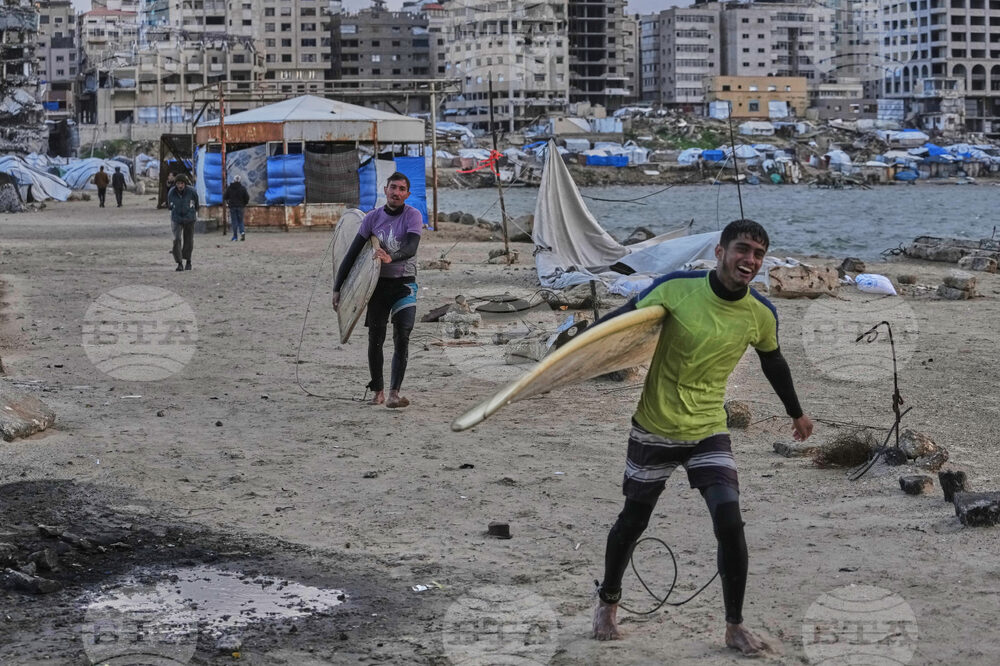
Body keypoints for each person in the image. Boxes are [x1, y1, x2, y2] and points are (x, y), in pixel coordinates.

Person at [592, 219, 813, 656]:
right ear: (720, 251)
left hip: (709, 428)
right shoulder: (676, 287)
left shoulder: (761, 313)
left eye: (758, 255)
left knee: (729, 522)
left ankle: (734, 626)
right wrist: (562, 363)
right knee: (633, 521)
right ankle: (608, 602)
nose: (749, 260)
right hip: (655, 424)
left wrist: (797, 413)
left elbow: (774, 362)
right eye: (742, 249)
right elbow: (615, 329)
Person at [332, 172, 422, 408]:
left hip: (404, 284)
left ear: (407, 194)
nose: (397, 193)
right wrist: (338, 288)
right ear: (385, 190)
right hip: (377, 286)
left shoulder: (413, 215)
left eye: (402, 189)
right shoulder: (372, 218)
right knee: (376, 339)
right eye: (393, 187)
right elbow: (352, 254)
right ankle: (378, 391)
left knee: (402, 336)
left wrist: (391, 257)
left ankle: (394, 393)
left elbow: (412, 247)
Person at [166, 174, 199, 271]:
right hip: (176, 218)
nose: (180, 186)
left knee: (188, 240)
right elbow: (170, 205)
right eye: (178, 183)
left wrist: (193, 212)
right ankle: (179, 262)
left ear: (185, 184)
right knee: (176, 239)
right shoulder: (172, 192)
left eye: (182, 183)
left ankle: (188, 261)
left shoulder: (192, 191)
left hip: (189, 218)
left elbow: (196, 203)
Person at [223, 175, 250, 241]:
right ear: (240, 180)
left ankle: (235, 237)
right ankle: (242, 232)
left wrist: (229, 202)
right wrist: (244, 204)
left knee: (234, 221)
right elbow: (247, 197)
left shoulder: (230, 188)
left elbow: (225, 197)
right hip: (240, 207)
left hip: (232, 207)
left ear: (234, 180)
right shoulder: (242, 188)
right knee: (240, 221)